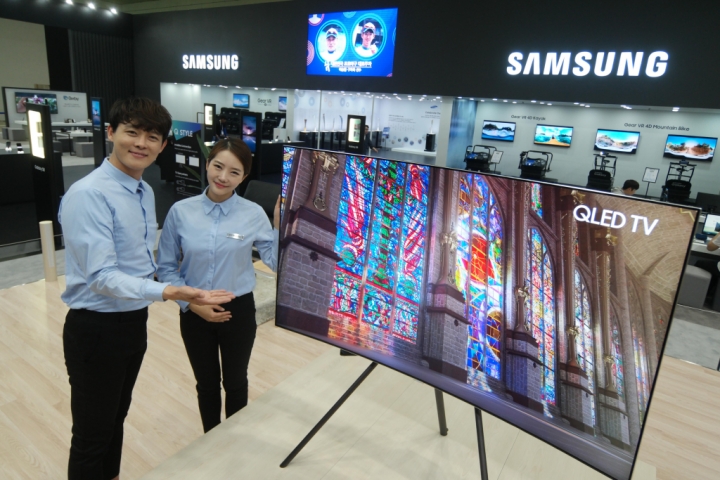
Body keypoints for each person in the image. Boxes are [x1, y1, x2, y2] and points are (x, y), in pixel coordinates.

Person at [59, 96, 235, 480]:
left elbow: (140, 265)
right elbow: (101, 276)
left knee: (115, 420)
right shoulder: (90, 194)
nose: (141, 144)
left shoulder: (144, 191)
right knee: (91, 435)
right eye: (132, 132)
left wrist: (185, 296)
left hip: (132, 323)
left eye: (152, 137)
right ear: (111, 133)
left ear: (163, 145)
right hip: (96, 328)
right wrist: (170, 292)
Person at [157, 138, 280, 433]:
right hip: (194, 310)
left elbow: (277, 264)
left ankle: (233, 444)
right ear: (207, 164)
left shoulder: (253, 214)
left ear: (244, 177)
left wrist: (279, 225)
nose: (223, 177)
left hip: (238, 311)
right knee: (207, 384)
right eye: (218, 166)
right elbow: (165, 268)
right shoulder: (181, 211)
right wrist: (191, 304)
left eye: (234, 172)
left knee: (236, 382)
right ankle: (210, 440)